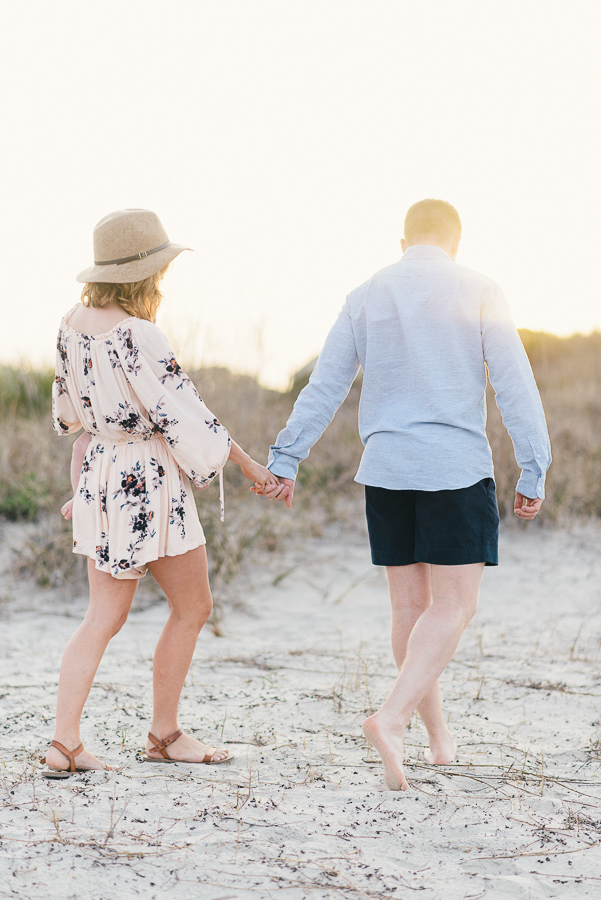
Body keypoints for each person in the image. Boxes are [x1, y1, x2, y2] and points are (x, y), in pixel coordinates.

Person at [260, 199, 551, 791]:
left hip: (387, 469)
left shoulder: (366, 293)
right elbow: (514, 381)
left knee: (409, 611)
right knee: (455, 606)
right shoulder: (479, 287)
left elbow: (326, 384)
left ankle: (439, 741)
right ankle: (392, 721)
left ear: (402, 242)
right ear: (456, 242)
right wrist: (534, 467)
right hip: (453, 467)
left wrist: (286, 458)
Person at [44, 208, 278, 777]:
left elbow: (67, 414)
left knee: (100, 617)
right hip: (148, 479)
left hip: (101, 473)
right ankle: (165, 735)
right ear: (146, 275)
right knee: (193, 606)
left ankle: (63, 744)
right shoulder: (140, 332)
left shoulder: (70, 323)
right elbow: (187, 416)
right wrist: (249, 465)